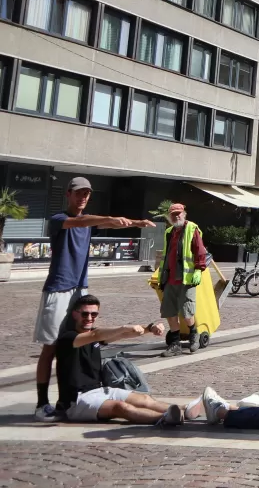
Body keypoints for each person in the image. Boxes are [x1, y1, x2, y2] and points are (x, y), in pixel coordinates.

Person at [33, 177, 153, 421]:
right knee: (51, 347)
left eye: (87, 194)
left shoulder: (88, 223)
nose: (83, 197)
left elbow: (103, 223)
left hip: (79, 289)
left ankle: (66, 398)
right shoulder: (59, 220)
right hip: (59, 290)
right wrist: (109, 218)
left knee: (75, 345)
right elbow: (83, 220)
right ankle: (41, 403)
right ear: (68, 194)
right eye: (78, 193)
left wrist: (137, 222)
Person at [53, 293, 179, 425]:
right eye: (85, 314)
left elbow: (123, 334)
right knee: (120, 407)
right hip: (76, 401)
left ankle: (184, 410)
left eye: (94, 314)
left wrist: (149, 328)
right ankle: (165, 417)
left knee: (144, 399)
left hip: (100, 390)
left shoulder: (95, 336)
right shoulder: (68, 338)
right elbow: (98, 334)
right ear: (75, 314)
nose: (89, 318)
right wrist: (124, 327)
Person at [156, 203, 209, 357]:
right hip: (170, 278)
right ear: (169, 216)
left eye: (179, 213)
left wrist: (199, 269)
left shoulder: (192, 229)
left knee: (187, 312)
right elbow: (166, 255)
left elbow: (200, 251)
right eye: (173, 214)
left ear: (184, 214)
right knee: (169, 312)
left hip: (186, 279)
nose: (176, 216)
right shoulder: (169, 232)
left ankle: (194, 334)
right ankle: (175, 344)